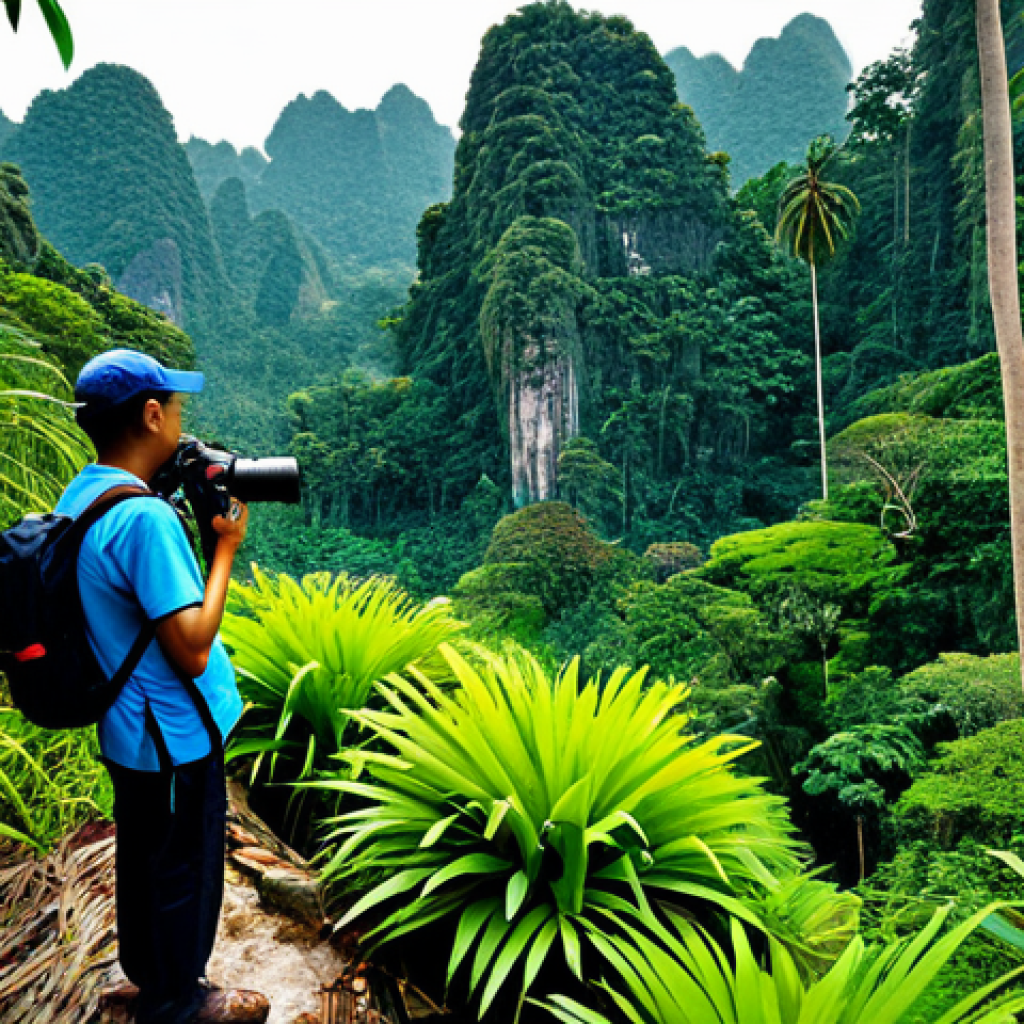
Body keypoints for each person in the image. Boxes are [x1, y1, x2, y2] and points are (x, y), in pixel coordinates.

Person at [57, 349, 270, 1024]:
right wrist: (225, 547)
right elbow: (193, 648)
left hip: (127, 729)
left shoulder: (85, 494)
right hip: (171, 735)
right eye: (176, 408)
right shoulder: (146, 520)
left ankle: (149, 979)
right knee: (185, 868)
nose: (181, 421)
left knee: (143, 857)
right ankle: (182, 1000)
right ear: (152, 415)